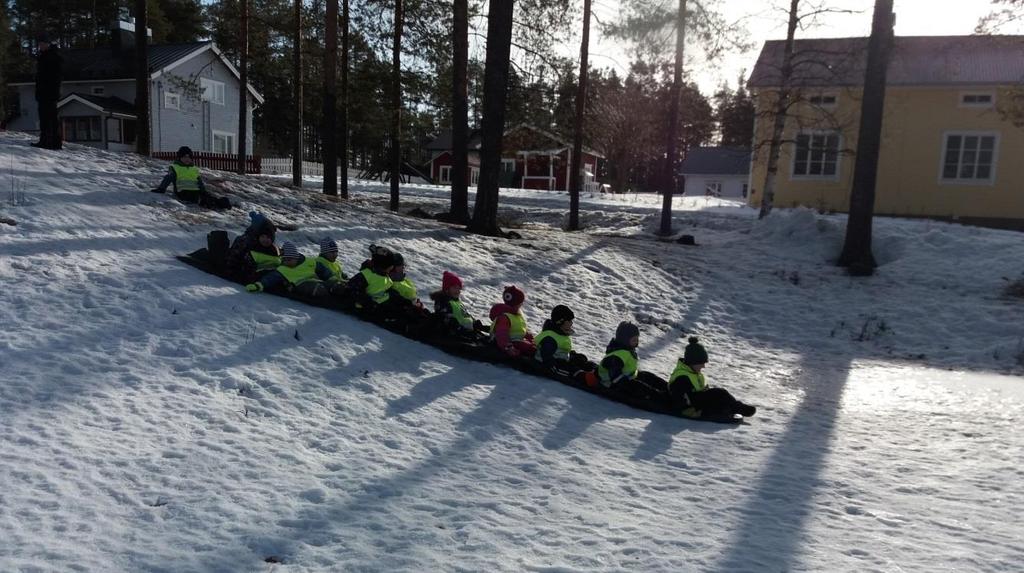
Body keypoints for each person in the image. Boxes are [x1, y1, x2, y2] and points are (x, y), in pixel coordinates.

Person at [667, 337, 756, 420]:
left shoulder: (694, 372)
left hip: (698, 400)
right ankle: (739, 408)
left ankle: (733, 408)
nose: (703, 366)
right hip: (693, 406)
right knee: (719, 392)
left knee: (719, 394)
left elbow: (703, 389)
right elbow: (679, 397)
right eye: (701, 363)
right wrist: (691, 412)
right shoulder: (682, 377)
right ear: (692, 362)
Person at [596, 321, 669, 400]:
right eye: (634, 340)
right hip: (612, 384)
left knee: (648, 376)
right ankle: (663, 399)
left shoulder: (626, 350)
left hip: (628, 377)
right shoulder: (616, 356)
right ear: (624, 340)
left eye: (637, 339)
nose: (637, 342)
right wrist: (630, 385)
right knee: (641, 387)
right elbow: (615, 376)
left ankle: (669, 390)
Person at [151, 146, 232, 209]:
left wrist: (203, 191)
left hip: (196, 191)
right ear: (179, 157)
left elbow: (199, 181)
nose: (187, 159)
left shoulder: (194, 169)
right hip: (183, 192)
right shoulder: (175, 167)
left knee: (208, 196)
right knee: (197, 199)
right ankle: (207, 202)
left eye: (189, 157)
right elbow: (168, 178)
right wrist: (161, 189)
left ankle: (220, 202)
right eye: (184, 157)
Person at [245, 242, 336, 297]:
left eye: (289, 259)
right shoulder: (282, 270)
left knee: (331, 284)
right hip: (300, 285)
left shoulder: (309, 261)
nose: (287, 262)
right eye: (284, 260)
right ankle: (330, 294)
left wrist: (331, 277)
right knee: (318, 289)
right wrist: (258, 285)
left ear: (296, 257)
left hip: (317, 280)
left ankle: (339, 289)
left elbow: (322, 269)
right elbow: (270, 279)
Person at [534, 305, 597, 382]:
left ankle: (597, 371)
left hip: (561, 359)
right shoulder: (550, 338)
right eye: (569, 321)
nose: (572, 323)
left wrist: (572, 355)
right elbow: (546, 358)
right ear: (561, 322)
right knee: (570, 369)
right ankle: (585, 378)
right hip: (552, 364)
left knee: (580, 360)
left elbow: (561, 349)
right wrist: (554, 367)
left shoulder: (560, 333)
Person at [224, 212, 281, 283]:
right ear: (258, 236)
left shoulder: (273, 248)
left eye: (268, 238)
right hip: (242, 271)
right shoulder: (246, 242)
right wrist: (231, 272)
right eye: (263, 237)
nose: (265, 240)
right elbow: (234, 256)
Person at [429, 271, 484, 338]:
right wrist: (460, 329)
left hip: (467, 331)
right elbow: (445, 318)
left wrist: (475, 323)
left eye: (459, 288)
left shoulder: (456, 301)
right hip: (455, 334)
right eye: (455, 288)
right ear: (447, 289)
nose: (458, 291)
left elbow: (464, 314)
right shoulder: (443, 301)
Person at [342, 244, 395, 314]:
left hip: (381, 308)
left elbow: (388, 293)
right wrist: (370, 303)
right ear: (386, 266)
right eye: (391, 266)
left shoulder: (387, 278)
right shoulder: (366, 275)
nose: (392, 267)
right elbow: (352, 289)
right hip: (369, 310)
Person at [32, 33, 62, 150]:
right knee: (45, 118)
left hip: (49, 93)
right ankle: (46, 141)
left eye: (42, 44)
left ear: (48, 44)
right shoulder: (44, 56)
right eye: (39, 44)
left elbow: (55, 77)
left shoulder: (52, 57)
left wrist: (52, 91)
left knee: (50, 118)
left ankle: (52, 142)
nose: (40, 46)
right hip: (44, 93)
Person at [488, 285, 536, 358]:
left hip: (516, 341)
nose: (521, 304)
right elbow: (501, 334)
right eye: (520, 303)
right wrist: (508, 347)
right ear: (516, 303)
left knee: (533, 346)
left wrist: (529, 337)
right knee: (528, 347)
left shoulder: (516, 315)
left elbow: (519, 329)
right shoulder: (505, 317)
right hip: (508, 343)